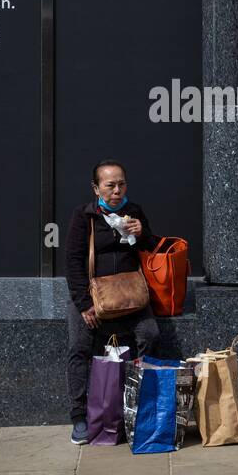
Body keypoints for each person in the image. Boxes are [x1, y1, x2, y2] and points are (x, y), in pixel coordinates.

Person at [64, 159, 160, 445]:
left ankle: (139, 405)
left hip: (129, 293)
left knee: (150, 334)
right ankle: (79, 416)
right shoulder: (85, 216)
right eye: (110, 185)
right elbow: (72, 262)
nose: (117, 191)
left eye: (122, 184)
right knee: (79, 346)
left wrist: (143, 234)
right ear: (96, 188)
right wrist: (83, 304)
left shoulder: (133, 212)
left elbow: (152, 249)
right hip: (94, 294)